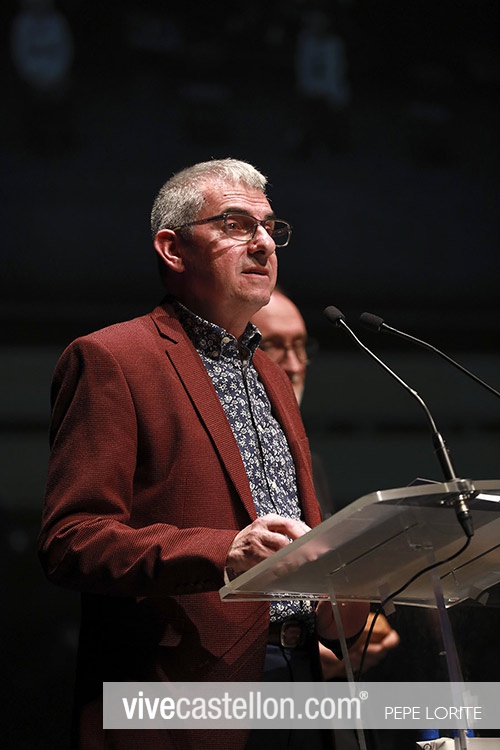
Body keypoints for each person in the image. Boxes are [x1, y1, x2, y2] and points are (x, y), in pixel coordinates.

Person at [39, 158, 369, 750]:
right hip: (187, 693)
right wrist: (225, 552)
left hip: (302, 679)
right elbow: (72, 539)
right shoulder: (114, 359)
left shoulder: (270, 373)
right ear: (173, 249)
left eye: (270, 227)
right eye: (236, 225)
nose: (263, 243)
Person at [251, 289, 400, 684]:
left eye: (301, 347)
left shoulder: (309, 462)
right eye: (275, 346)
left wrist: (355, 615)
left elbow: (322, 584)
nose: (295, 365)